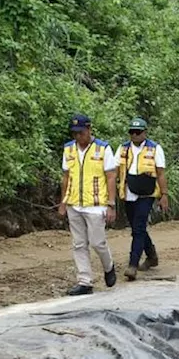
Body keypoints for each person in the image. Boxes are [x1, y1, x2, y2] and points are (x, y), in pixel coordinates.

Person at [58, 114, 117, 296]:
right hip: (74, 203)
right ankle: (85, 281)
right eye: (75, 134)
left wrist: (111, 204)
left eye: (81, 133)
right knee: (79, 244)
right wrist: (63, 201)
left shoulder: (103, 148)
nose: (78, 137)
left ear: (89, 130)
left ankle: (109, 266)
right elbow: (66, 177)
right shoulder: (68, 150)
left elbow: (111, 176)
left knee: (98, 243)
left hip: (96, 204)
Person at [116, 118, 168, 281]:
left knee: (138, 228)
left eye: (138, 132)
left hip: (147, 193)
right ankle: (152, 256)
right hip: (128, 192)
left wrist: (164, 195)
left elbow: (160, 173)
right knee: (136, 227)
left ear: (145, 132)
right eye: (132, 132)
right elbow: (116, 170)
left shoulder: (155, 149)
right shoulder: (123, 148)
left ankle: (133, 264)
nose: (135, 135)